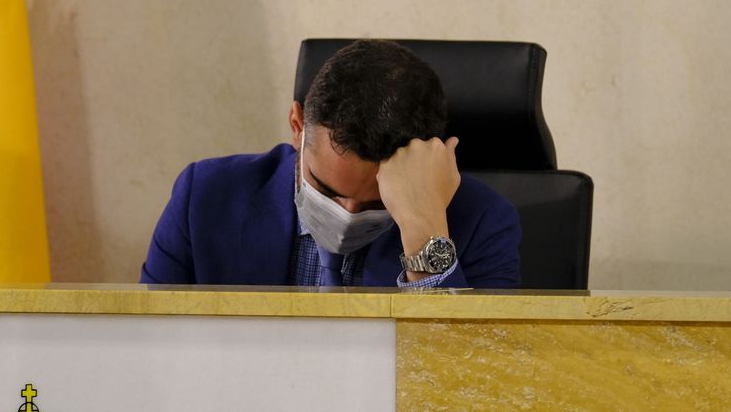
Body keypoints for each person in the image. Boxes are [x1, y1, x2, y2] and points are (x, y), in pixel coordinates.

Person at [140, 39, 521, 288]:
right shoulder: (205, 196)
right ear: (296, 127)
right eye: (325, 189)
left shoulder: (481, 220)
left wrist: (424, 234)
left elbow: (472, 381)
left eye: (377, 202)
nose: (348, 214)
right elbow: (148, 353)